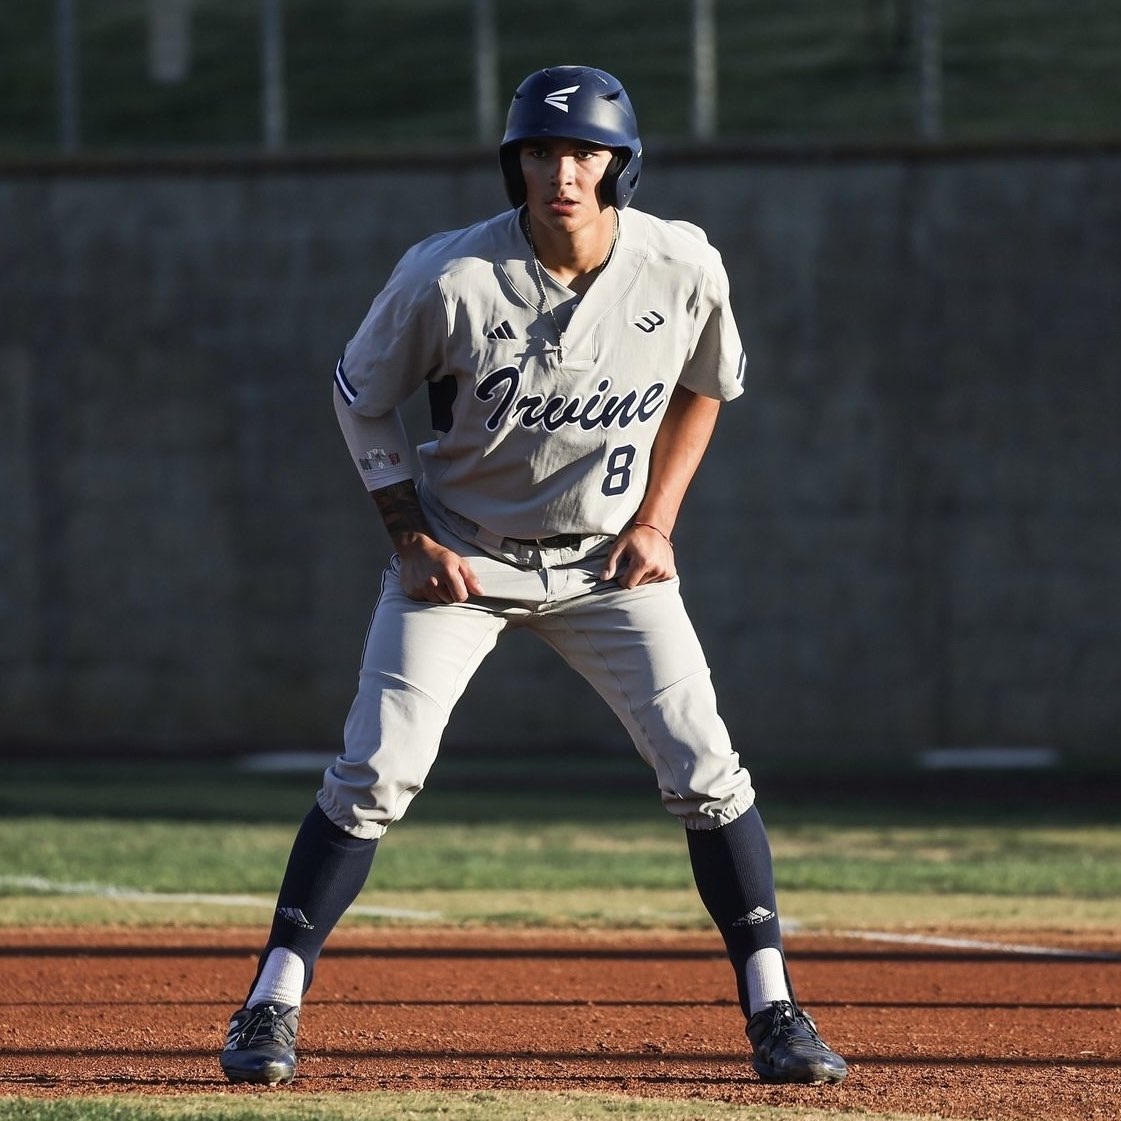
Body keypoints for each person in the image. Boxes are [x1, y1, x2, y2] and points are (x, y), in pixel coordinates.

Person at [219, 64, 848, 1089]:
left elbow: (706, 385)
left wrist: (656, 518)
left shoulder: (679, 261)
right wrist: (408, 534)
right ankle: (268, 1004)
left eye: (584, 151)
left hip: (609, 566)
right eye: (540, 151)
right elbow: (357, 396)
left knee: (704, 766)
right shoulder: (447, 276)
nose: (562, 170)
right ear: (513, 162)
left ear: (618, 165)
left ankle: (775, 1009)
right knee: (374, 771)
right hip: (465, 554)